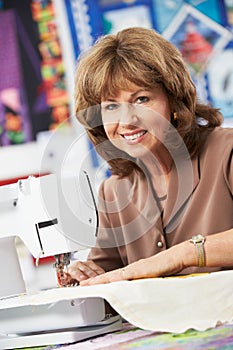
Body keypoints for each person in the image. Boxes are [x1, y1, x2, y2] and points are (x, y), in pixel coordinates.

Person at [65, 27, 233, 287]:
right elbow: (108, 280)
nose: (126, 120)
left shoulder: (226, 152)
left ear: (174, 101)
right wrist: (84, 277)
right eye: (110, 106)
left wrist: (186, 253)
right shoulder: (114, 191)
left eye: (142, 99)